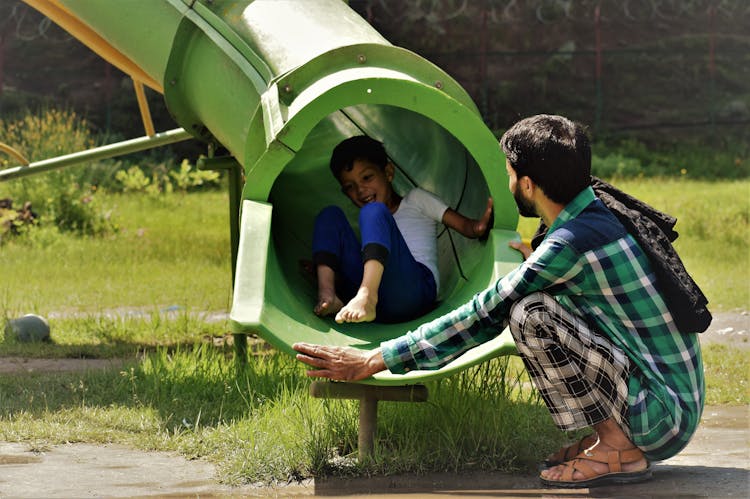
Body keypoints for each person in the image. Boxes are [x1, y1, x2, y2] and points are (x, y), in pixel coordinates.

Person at [294, 115, 705, 488]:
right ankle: (611, 437)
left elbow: (485, 313)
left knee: (530, 314)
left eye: (509, 175)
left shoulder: (571, 242)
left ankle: (619, 449)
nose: (508, 184)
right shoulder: (599, 211)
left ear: (527, 185)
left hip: (661, 415)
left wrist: (376, 359)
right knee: (539, 302)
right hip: (671, 399)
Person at [311, 135, 493, 324]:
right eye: (350, 187)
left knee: (373, 211)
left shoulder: (415, 200)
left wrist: (479, 226)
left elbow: (467, 226)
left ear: (388, 172)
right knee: (329, 215)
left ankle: (367, 295)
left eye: (367, 177)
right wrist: (329, 266)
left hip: (414, 291)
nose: (360, 190)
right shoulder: (369, 222)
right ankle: (328, 295)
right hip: (379, 301)